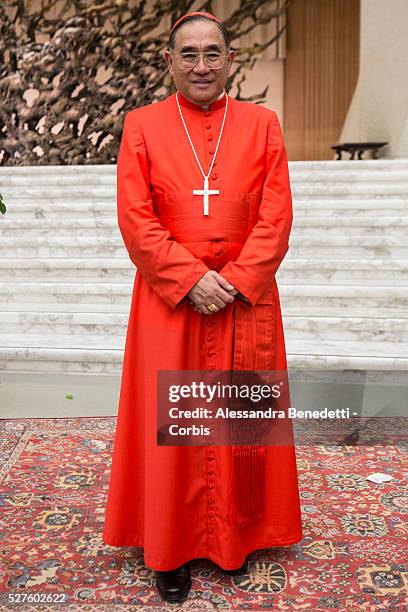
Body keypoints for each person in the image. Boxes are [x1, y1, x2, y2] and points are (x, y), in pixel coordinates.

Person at [102, 10, 303, 604]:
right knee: (176, 430)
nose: (200, 65)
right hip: (172, 303)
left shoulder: (262, 124)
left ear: (230, 60)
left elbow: (277, 215)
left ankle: (235, 539)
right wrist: (190, 279)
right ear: (169, 62)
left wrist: (238, 280)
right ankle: (171, 550)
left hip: (245, 299)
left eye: (211, 53)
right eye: (187, 55)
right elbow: (136, 219)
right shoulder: (141, 126)